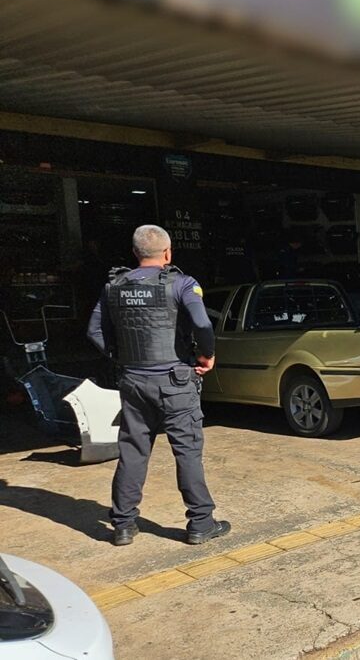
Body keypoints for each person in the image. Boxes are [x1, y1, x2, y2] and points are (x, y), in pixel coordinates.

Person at [86, 225, 230, 547]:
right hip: (175, 381)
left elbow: (94, 331)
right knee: (187, 451)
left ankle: (123, 525)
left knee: (132, 451)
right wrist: (207, 355)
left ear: (135, 253)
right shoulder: (182, 284)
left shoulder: (114, 286)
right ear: (167, 253)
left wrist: (120, 357)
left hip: (133, 380)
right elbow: (203, 323)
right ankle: (201, 524)